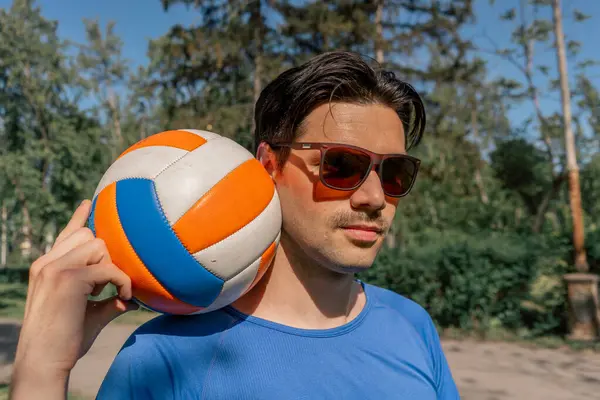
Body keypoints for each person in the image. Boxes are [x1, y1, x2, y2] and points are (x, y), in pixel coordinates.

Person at [10, 51, 460, 399]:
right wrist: (42, 370)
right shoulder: (163, 358)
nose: (375, 197)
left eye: (395, 172)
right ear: (269, 165)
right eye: (341, 165)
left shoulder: (412, 326)